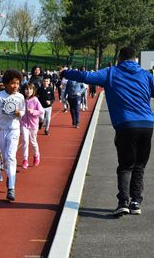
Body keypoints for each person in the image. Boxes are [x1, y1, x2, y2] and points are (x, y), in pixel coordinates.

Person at [60, 47, 154, 216]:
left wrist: (66, 73)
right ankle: (136, 202)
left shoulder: (112, 72)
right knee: (139, 165)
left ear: (120, 58)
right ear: (135, 59)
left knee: (126, 165)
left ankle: (123, 201)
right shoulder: (146, 75)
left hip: (126, 124)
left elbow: (86, 77)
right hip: (147, 124)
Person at [0, 69, 25, 201]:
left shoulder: (20, 97)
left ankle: (11, 188)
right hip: (0, 130)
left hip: (14, 129)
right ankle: (10, 174)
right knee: (5, 158)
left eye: (17, 83)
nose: (15, 86)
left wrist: (19, 113)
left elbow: (23, 110)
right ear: (6, 84)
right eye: (13, 83)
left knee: (11, 156)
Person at [20, 83, 44, 169]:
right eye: (26, 89)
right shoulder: (21, 99)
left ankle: (36, 154)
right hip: (24, 124)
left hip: (33, 124)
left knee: (33, 141)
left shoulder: (35, 100)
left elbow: (41, 112)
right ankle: (25, 160)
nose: (28, 91)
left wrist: (33, 111)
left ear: (33, 91)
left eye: (30, 89)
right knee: (25, 141)